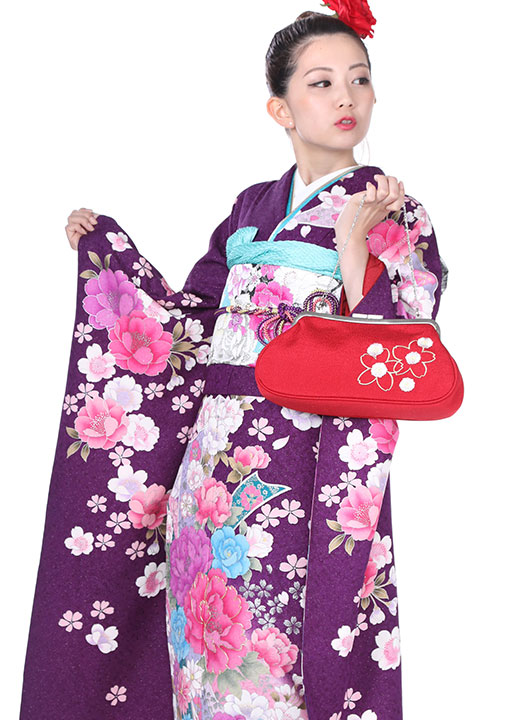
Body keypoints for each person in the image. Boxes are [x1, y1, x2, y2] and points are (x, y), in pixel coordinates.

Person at [21, 7, 448, 720]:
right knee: (205, 661)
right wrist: (110, 259)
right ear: (280, 107)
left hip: (310, 470)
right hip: (211, 475)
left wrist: (353, 247)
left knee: (285, 661)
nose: (346, 97)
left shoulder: (394, 212)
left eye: (359, 79)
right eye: (321, 82)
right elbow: (191, 325)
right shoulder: (251, 208)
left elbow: (403, 353)